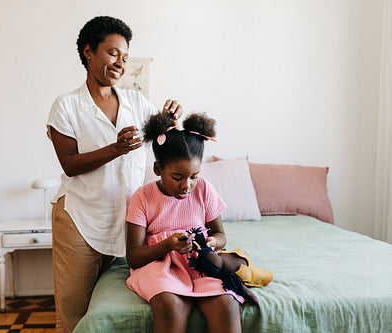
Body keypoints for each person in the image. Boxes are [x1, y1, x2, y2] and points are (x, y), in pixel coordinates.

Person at [46, 16, 183, 333]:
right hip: (80, 222)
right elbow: (69, 163)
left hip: (126, 224)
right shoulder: (66, 106)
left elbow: (163, 140)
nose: (119, 63)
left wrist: (171, 121)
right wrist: (115, 149)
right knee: (74, 315)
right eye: (112, 53)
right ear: (89, 52)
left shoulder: (136, 101)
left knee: (113, 314)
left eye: (124, 56)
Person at [125, 112, 272, 333]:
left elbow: (221, 236)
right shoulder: (142, 197)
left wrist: (211, 243)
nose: (187, 185)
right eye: (177, 177)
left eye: (194, 176)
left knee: (226, 301)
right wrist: (168, 245)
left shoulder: (204, 189)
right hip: (159, 264)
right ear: (158, 169)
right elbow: (133, 256)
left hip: (199, 262)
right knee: (169, 304)